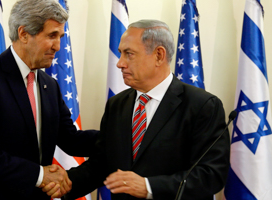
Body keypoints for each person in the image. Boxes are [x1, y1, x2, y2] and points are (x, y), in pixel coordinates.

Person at [44, 19, 231, 200]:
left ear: (159, 55)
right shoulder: (117, 105)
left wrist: (148, 187)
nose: (120, 63)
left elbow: (211, 175)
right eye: (120, 53)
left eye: (129, 54)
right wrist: (64, 183)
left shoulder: (202, 106)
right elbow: (102, 164)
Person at [0, 0, 98, 199]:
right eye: (52, 36)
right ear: (24, 34)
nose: (58, 46)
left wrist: (119, 135)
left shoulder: (49, 85)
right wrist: (39, 175)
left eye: (60, 36)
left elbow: (70, 140)